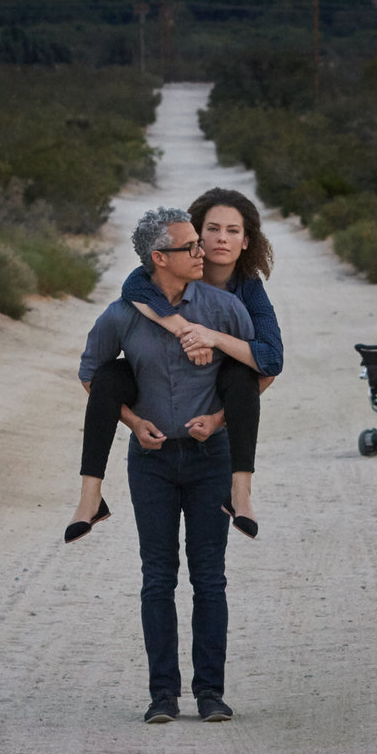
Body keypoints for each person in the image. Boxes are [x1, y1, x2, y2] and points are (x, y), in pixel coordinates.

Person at [74, 206, 253, 723]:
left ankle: (212, 694)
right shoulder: (121, 315)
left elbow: (257, 374)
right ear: (159, 258)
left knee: (210, 578)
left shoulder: (222, 310)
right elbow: (92, 377)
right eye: (191, 247)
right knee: (158, 578)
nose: (204, 253)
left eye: (202, 243)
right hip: (150, 464)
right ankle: (162, 696)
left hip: (209, 460)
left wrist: (218, 421)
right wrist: (132, 422)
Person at [67, 187, 282, 538]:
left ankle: (241, 494)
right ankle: (89, 498)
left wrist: (211, 338)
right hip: (152, 394)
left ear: (246, 242)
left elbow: (271, 360)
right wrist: (185, 329)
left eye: (233, 231)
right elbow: (136, 285)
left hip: (216, 402)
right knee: (107, 376)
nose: (219, 241)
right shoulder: (147, 281)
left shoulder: (246, 292)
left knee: (241, 374)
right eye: (211, 229)